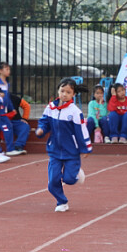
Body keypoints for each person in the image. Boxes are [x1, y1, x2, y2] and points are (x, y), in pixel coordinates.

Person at [36, 78, 91, 212]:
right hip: (54, 150)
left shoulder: (75, 111)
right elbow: (44, 122)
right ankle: (61, 202)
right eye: (62, 91)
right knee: (52, 183)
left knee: (69, 179)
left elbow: (82, 131)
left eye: (68, 92)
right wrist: (41, 130)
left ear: (73, 94)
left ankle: (76, 173)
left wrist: (85, 148)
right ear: (58, 91)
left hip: (71, 151)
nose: (64, 94)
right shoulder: (51, 108)